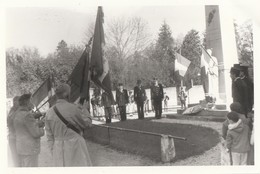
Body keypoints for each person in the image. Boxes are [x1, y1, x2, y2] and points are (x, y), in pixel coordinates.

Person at [45, 84, 92, 166]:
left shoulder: (49, 112)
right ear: (66, 94)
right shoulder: (73, 108)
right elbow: (87, 124)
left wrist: (54, 151)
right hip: (75, 147)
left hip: (58, 149)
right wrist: (84, 109)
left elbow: (49, 136)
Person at [13, 94, 45, 167]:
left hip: (22, 149)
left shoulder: (17, 113)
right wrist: (42, 126)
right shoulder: (27, 115)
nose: (33, 103)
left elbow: (25, 125)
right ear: (27, 102)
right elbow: (36, 133)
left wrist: (37, 122)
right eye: (31, 101)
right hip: (30, 150)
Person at [7, 96, 20, 167]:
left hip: (15, 137)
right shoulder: (13, 112)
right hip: (14, 138)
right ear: (15, 102)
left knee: (18, 160)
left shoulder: (13, 111)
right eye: (19, 102)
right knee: (17, 160)